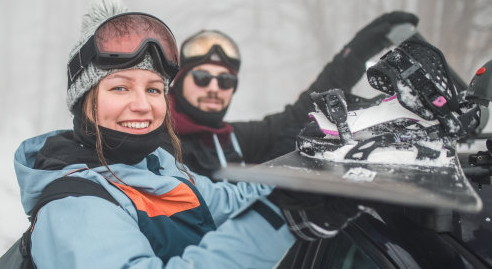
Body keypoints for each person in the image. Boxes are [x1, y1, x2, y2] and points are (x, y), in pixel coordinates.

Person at [13, 0, 362, 269]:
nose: (142, 105)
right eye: (120, 88)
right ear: (85, 100)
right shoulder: (75, 208)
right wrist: (278, 215)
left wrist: (307, 173)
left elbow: (227, 201)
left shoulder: (157, 166)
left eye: (153, 90)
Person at [167, 12, 419, 178]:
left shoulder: (234, 139)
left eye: (225, 80)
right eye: (202, 78)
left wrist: (355, 53)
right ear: (177, 82)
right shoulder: (156, 141)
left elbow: (300, 114)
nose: (214, 88)